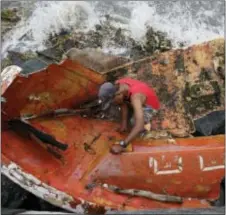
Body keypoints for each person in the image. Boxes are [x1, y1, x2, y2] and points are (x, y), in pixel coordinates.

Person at [98, 77, 160, 154]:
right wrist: (124, 123)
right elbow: (123, 102)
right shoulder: (119, 84)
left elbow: (139, 125)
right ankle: (130, 120)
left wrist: (122, 145)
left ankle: (146, 129)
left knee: (133, 122)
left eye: (114, 100)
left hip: (149, 106)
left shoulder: (135, 97)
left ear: (119, 94)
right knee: (120, 111)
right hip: (135, 100)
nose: (114, 103)